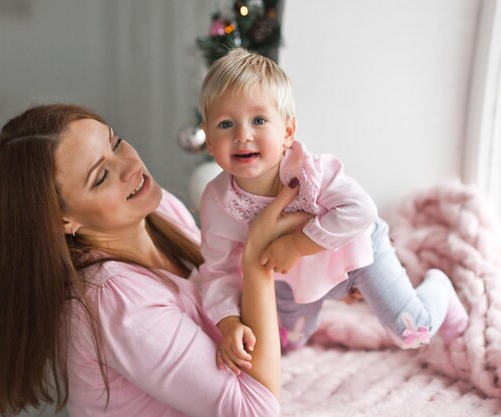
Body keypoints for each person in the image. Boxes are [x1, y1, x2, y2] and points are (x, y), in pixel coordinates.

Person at [0, 103, 311, 417]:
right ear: (61, 222)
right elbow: (255, 411)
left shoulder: (157, 209)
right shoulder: (116, 301)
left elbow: (243, 305)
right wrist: (258, 260)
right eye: (101, 176)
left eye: (116, 143)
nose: (131, 166)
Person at [197, 48, 469, 374]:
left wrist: (296, 244)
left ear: (287, 131)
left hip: (357, 252)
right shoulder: (217, 201)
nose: (243, 135)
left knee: (412, 332)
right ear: (209, 140)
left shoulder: (311, 172)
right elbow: (218, 270)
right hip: (290, 276)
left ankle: (440, 287)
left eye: (258, 120)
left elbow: (360, 210)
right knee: (285, 342)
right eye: (226, 124)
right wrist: (228, 324)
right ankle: (321, 300)